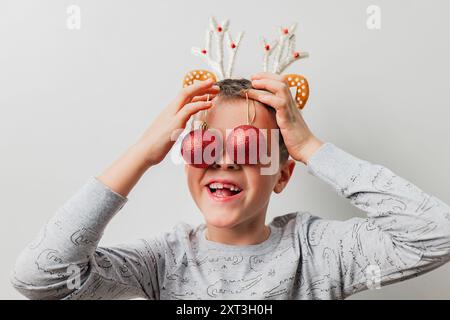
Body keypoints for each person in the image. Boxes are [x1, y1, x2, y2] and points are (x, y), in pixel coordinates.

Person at [11, 73, 450, 299]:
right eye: (205, 146)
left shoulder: (319, 253)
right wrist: (143, 152)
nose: (223, 160)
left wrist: (311, 147)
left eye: (248, 148)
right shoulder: (163, 261)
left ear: (282, 173)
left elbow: (437, 233)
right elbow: (39, 280)